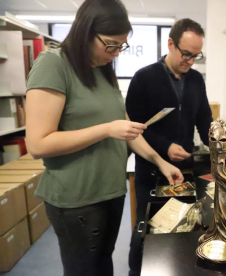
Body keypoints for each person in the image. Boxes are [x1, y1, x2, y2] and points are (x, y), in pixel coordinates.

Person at [25, 0, 183, 275]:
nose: (116, 53)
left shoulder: (102, 68)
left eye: (121, 46)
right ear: (85, 31)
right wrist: (106, 129)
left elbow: (125, 129)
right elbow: (38, 144)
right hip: (77, 199)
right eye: (111, 44)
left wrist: (160, 161)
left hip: (110, 190)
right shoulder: (53, 64)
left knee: (102, 266)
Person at [125, 18, 212, 275]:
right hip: (151, 169)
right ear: (170, 43)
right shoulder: (144, 78)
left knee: (183, 227)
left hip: (184, 169)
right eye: (186, 54)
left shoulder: (196, 80)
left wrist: (218, 144)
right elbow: (134, 129)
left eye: (196, 56)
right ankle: (136, 271)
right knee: (146, 229)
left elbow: (204, 120)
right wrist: (165, 147)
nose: (190, 61)